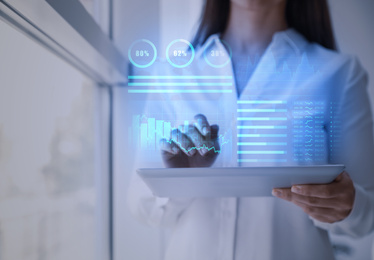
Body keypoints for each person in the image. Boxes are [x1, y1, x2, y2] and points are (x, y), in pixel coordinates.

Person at [127, 0, 374, 259]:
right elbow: (140, 204)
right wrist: (178, 181)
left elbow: (366, 215)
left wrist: (347, 206)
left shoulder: (340, 74)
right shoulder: (172, 75)